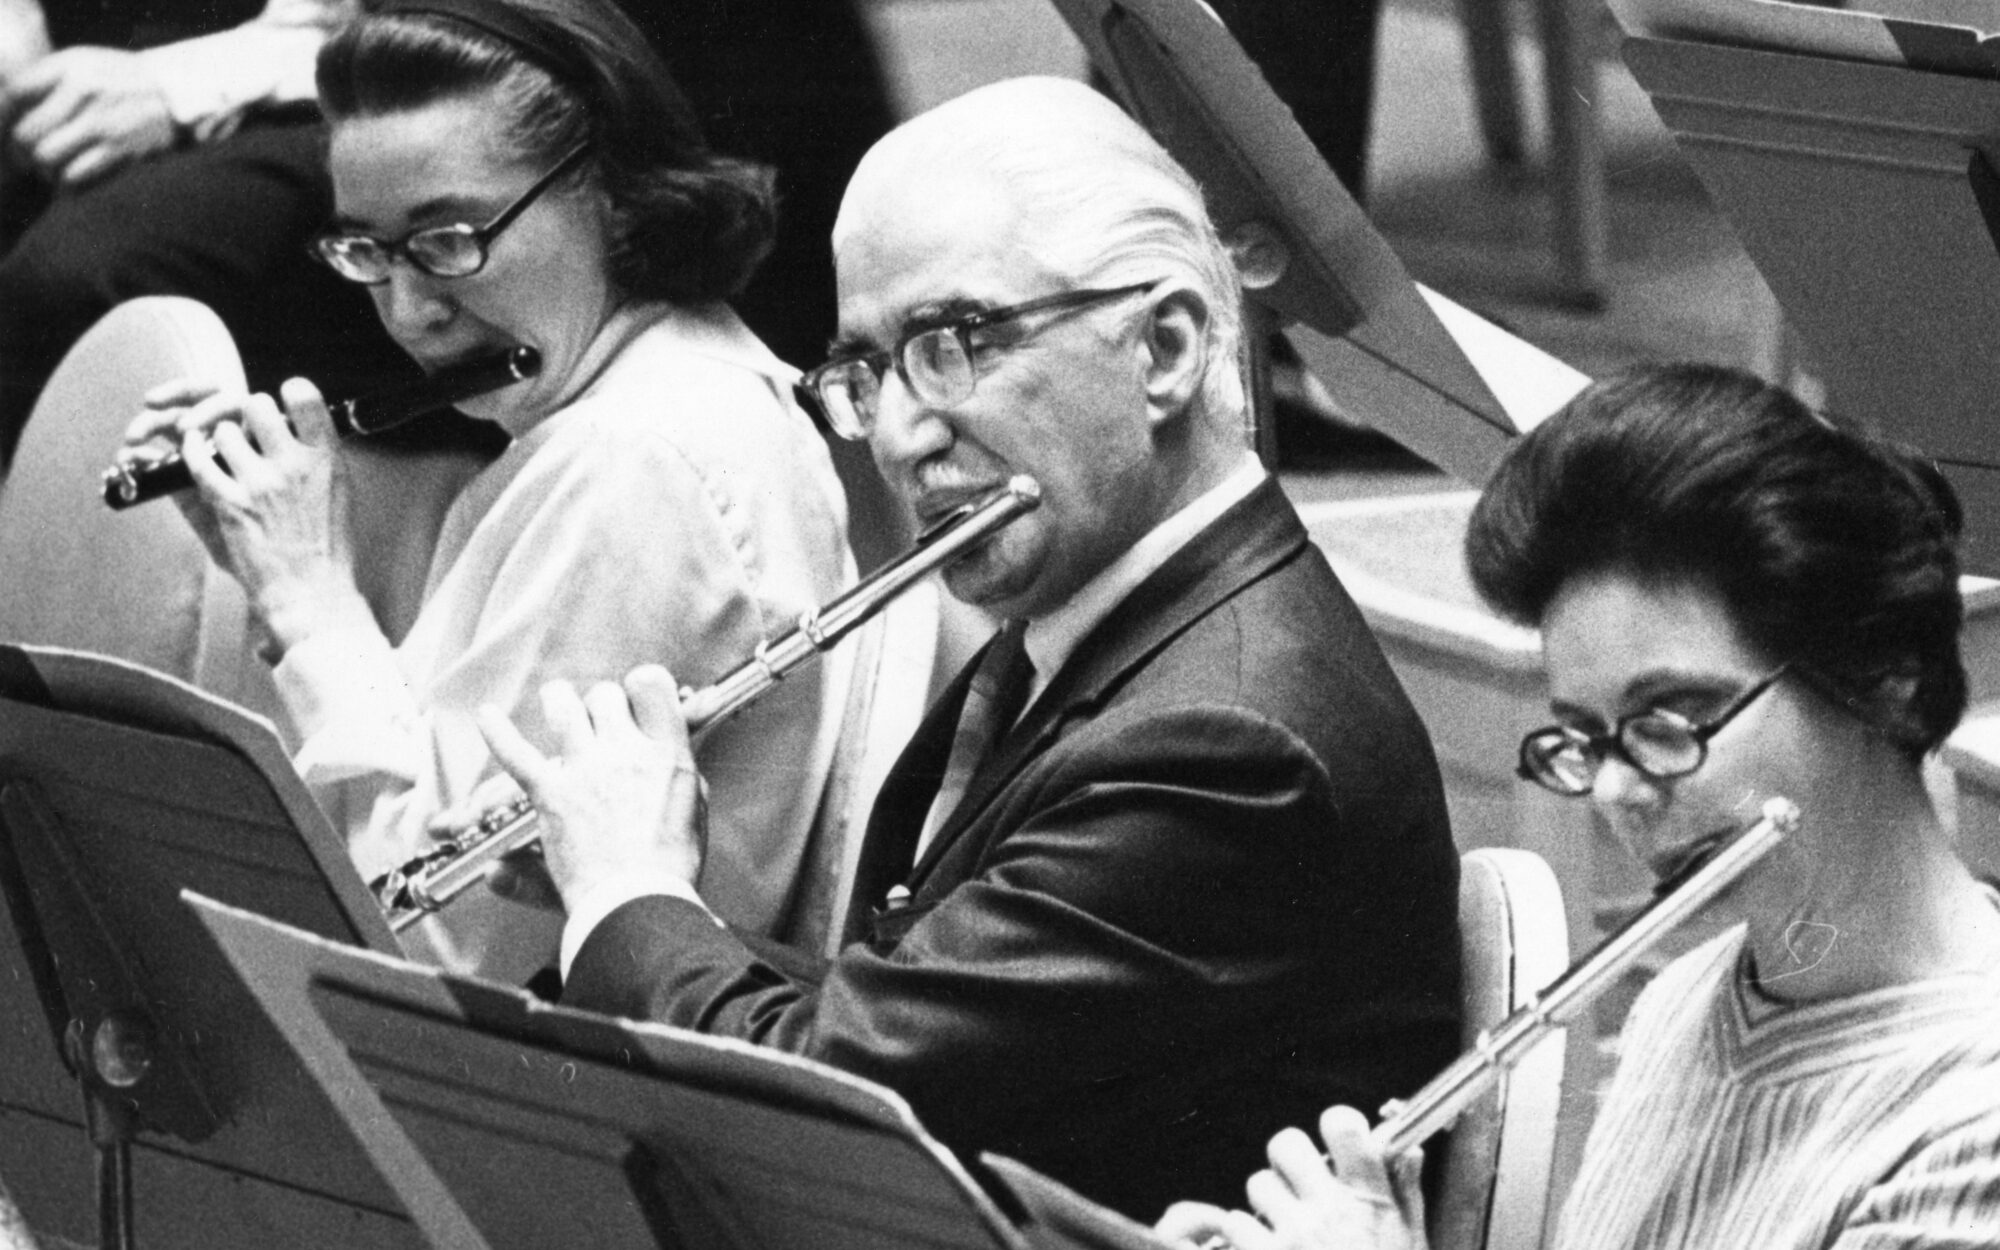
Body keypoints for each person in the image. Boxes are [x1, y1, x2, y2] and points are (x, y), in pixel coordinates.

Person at [474, 75, 1463, 1221]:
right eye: (866, 371)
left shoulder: (1225, 745)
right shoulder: (1091, 617)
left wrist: (625, 892)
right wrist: (650, 887)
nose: (899, 434)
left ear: (1165, 348)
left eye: (954, 344)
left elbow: (826, 1106)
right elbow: (922, 1009)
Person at [1156, 363, 2000, 1250]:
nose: (1616, 789)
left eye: (1673, 719)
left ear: (1887, 681)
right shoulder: (1683, 1000)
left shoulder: (1975, 1140)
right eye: (1587, 738)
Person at [119, 0, 854, 980]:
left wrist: (312, 602)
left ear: (609, 192)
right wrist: (271, 571)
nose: (413, 312)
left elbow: (436, 948)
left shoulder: (634, 464)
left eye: (450, 238)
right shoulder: (651, 399)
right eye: (368, 253)